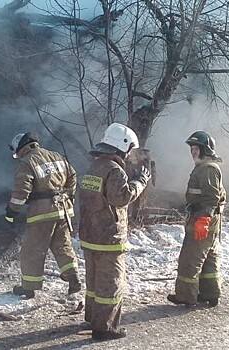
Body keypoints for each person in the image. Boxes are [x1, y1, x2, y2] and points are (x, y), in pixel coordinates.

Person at [78, 123, 151, 341]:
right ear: (123, 146)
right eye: (130, 150)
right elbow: (120, 198)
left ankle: (93, 317)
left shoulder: (93, 167)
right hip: (109, 238)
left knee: (93, 282)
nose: (130, 155)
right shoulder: (114, 170)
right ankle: (105, 327)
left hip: (90, 236)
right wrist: (140, 181)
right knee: (110, 284)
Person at [5, 131, 81, 299]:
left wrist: (12, 211)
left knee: (32, 250)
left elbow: (21, 190)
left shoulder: (27, 162)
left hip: (42, 214)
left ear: (20, 148)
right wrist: (67, 195)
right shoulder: (56, 156)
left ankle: (29, 288)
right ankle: (73, 277)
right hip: (63, 210)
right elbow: (73, 175)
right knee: (62, 244)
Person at [167, 130, 226, 307]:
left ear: (205, 149)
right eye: (192, 148)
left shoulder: (207, 169)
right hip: (209, 221)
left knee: (189, 260)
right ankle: (210, 293)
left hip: (203, 220)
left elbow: (211, 198)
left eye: (196, 148)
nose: (193, 152)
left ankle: (186, 296)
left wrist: (203, 220)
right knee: (208, 258)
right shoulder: (205, 167)